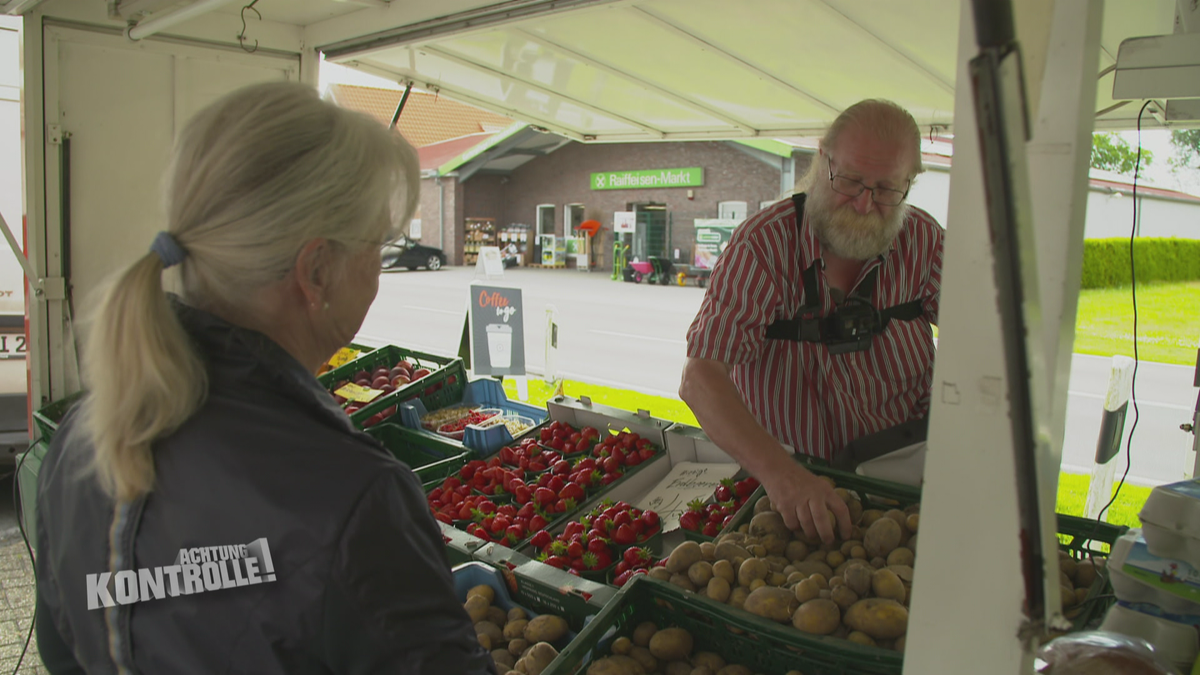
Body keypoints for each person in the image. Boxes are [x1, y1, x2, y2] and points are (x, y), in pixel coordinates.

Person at [34, 82, 496, 675]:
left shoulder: (84, 431)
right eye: (376, 247)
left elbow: (62, 649)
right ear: (317, 271)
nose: (379, 271)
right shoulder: (352, 497)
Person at [679, 99, 944, 545]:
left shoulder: (925, 241)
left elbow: (986, 347)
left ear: (910, 183)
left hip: (905, 478)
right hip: (791, 489)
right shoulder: (764, 245)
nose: (864, 205)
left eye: (885, 189)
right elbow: (701, 377)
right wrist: (782, 475)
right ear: (823, 159)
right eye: (852, 181)